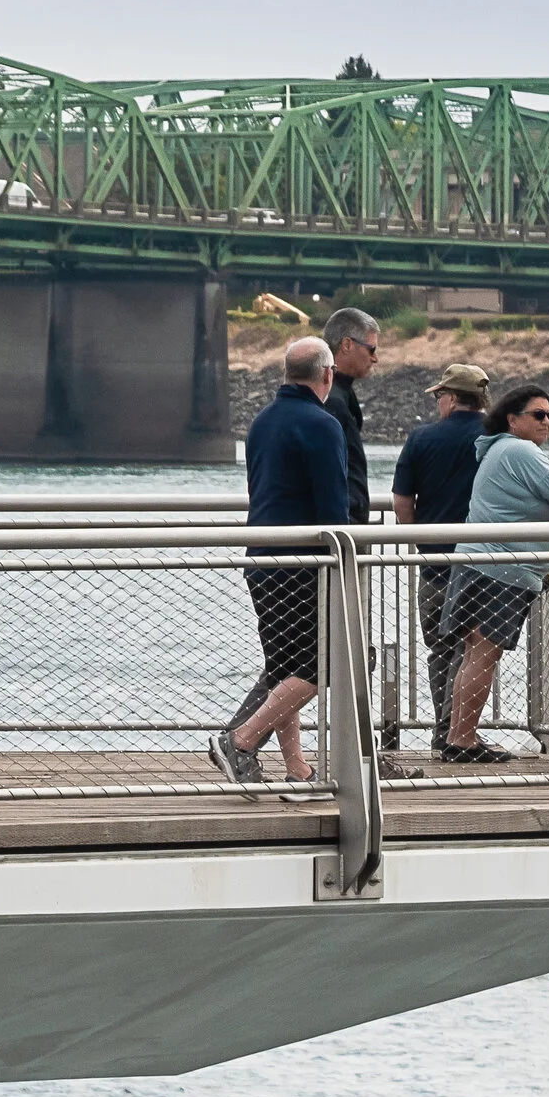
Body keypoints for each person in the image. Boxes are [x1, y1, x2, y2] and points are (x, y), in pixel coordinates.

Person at [211, 335, 347, 788]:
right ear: (327, 374)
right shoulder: (322, 424)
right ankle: (242, 740)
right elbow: (333, 506)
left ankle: (297, 769)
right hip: (304, 565)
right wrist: (343, 556)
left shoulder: (263, 421)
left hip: (261, 558)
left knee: (285, 665)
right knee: (322, 664)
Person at [439, 382, 549, 763]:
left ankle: (458, 737)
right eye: (538, 415)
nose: (547, 423)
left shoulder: (497, 450)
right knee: (484, 655)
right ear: (512, 419)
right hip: (502, 569)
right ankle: (463, 740)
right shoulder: (520, 450)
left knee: (473, 653)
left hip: (477, 562)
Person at [390, 363, 492, 750]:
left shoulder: (421, 438)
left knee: (441, 646)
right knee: (477, 648)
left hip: (435, 563)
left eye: (438, 396)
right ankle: (458, 732)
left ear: (450, 398)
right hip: (485, 561)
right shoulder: (499, 437)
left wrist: (422, 543)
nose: (437, 403)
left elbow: (402, 501)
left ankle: (443, 728)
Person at [319, 305, 379, 526]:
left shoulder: (337, 392)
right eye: (371, 350)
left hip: (344, 524)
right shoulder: (332, 399)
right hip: (342, 529)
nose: (375, 358)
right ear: (347, 344)